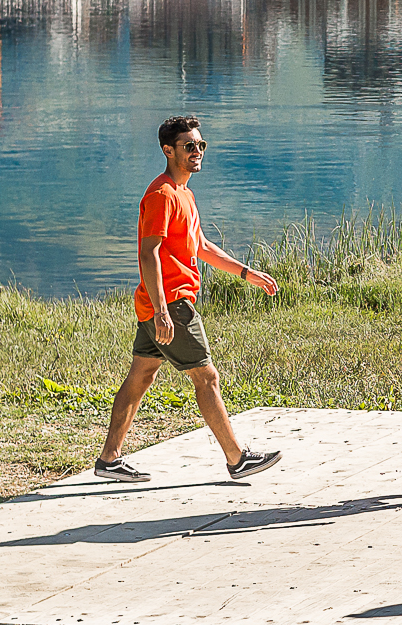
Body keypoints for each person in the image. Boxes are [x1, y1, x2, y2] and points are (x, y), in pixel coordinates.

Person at [94, 115, 281, 484]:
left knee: (141, 375)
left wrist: (247, 273)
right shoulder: (161, 194)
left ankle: (109, 459)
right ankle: (236, 458)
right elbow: (149, 254)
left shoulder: (185, 194)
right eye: (189, 146)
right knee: (206, 377)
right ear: (168, 150)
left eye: (200, 145)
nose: (197, 152)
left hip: (161, 304)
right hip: (171, 304)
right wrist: (163, 310)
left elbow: (201, 246)